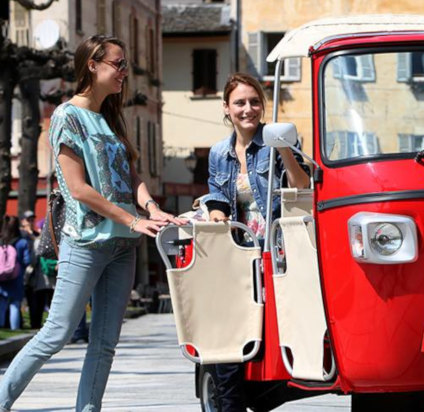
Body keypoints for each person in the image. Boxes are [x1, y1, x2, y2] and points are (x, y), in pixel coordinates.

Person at [0, 34, 186, 412]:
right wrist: (132, 220)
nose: (124, 71)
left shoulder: (110, 118)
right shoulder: (67, 116)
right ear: (92, 64)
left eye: (125, 65)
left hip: (123, 246)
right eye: (118, 64)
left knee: (104, 344)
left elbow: (130, 176)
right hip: (85, 242)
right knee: (56, 333)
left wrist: (151, 208)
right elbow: (78, 188)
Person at [203, 72, 309, 412]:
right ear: (226, 108)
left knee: (272, 325)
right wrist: (215, 214)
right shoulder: (219, 152)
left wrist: (285, 149)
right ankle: (230, 403)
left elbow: (302, 186)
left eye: (254, 102)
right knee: (229, 325)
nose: (248, 109)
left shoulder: (278, 140)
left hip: (276, 249)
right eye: (239, 103)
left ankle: (260, 392)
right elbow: (218, 197)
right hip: (238, 251)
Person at [0, 216, 32, 330]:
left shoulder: (1, 242)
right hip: (16, 277)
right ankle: (15, 328)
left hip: (1, 277)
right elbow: (27, 260)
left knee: (1, 304)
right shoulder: (22, 242)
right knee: (15, 304)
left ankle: (1, 326)